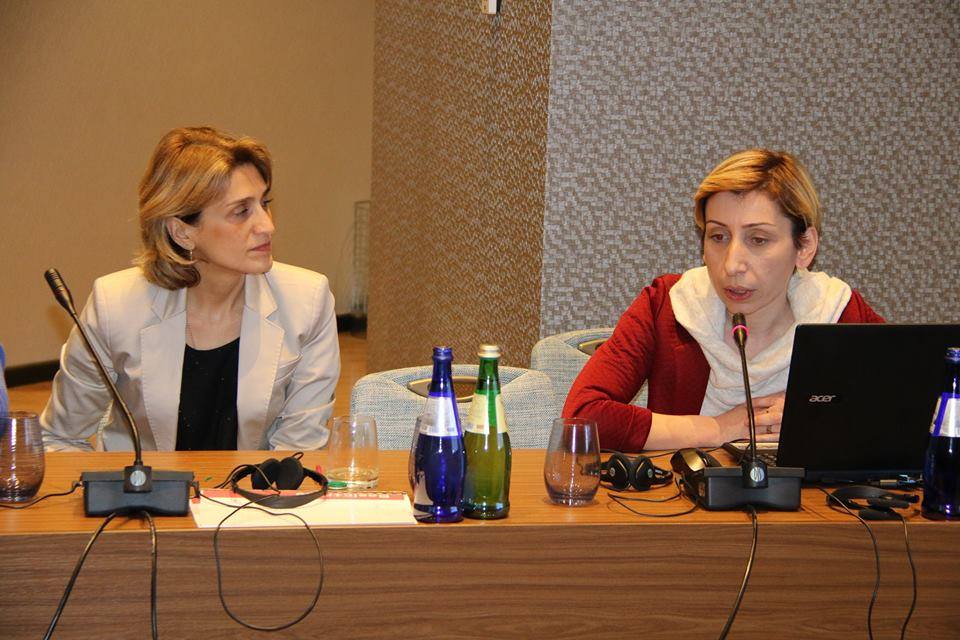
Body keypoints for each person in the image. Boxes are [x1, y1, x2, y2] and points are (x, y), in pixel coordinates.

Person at [41, 127, 340, 451]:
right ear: (182, 232)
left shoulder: (307, 301)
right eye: (241, 211)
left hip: (257, 484)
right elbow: (59, 438)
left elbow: (299, 448)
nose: (268, 225)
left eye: (264, 203)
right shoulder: (115, 306)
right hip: (144, 485)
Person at [564, 149, 883, 452]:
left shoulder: (836, 311)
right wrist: (718, 429)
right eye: (718, 237)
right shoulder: (669, 305)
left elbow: (907, 412)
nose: (732, 265)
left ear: (805, 246)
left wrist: (819, 416)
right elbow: (582, 416)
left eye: (758, 239)